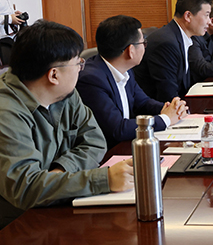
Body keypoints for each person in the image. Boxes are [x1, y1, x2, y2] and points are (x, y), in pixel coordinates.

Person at [0, 20, 134, 236]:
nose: (80, 69)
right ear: (54, 75)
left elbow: (94, 140)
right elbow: (27, 190)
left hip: (46, 216)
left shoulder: (65, 94)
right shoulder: (0, 115)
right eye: (78, 63)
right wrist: (104, 180)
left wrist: (60, 171)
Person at [76, 15, 188, 149]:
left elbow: (143, 103)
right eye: (143, 43)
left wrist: (170, 108)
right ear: (131, 50)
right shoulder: (91, 80)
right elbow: (117, 129)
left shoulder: (126, 69)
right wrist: (166, 119)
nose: (145, 47)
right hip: (109, 152)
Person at [134, 0, 212, 101]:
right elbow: (167, 94)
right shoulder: (166, 43)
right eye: (207, 15)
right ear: (188, 16)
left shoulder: (180, 37)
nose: (209, 21)